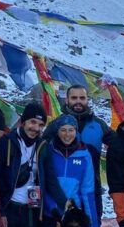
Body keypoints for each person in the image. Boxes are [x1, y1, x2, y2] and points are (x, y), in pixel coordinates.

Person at [44, 84, 113, 219]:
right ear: (67, 100)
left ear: (87, 100)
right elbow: (40, 149)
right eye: (74, 98)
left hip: (92, 190)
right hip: (59, 191)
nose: (78, 101)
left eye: (82, 98)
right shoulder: (55, 125)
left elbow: (119, 145)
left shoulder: (98, 125)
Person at [39, 114, 101, 227]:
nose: (67, 134)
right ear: (57, 131)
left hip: (73, 213)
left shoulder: (84, 155)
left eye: (71, 130)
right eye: (63, 130)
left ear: (76, 131)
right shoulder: (49, 151)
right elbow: (45, 183)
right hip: (50, 211)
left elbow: (88, 191)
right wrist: (52, 207)